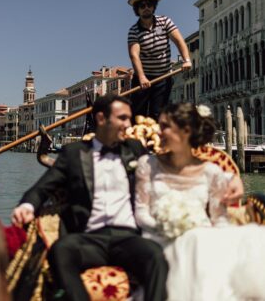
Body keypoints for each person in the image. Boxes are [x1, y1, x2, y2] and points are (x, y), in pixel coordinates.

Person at [11, 94, 169, 301]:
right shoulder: (73, 153)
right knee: (61, 250)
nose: (128, 125)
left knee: (156, 255)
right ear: (102, 119)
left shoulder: (134, 149)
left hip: (128, 237)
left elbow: (162, 175)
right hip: (89, 238)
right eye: (122, 118)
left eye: (129, 119)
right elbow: (42, 188)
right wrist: (27, 206)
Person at [135, 102, 265, 300]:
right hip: (159, 237)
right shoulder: (147, 165)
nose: (158, 133)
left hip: (203, 236)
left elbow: (219, 218)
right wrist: (168, 227)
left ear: (186, 131)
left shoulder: (211, 172)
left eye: (165, 127)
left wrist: (218, 239)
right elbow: (141, 213)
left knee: (253, 239)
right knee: (194, 241)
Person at [127, 0, 191, 120]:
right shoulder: (133, 30)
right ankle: (137, 140)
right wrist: (142, 77)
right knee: (138, 115)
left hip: (163, 77)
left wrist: (187, 59)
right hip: (142, 78)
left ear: (153, 6)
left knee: (158, 115)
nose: (146, 8)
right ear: (137, 9)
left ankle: (155, 140)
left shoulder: (165, 21)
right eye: (142, 5)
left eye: (149, 4)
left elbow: (179, 41)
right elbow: (134, 55)